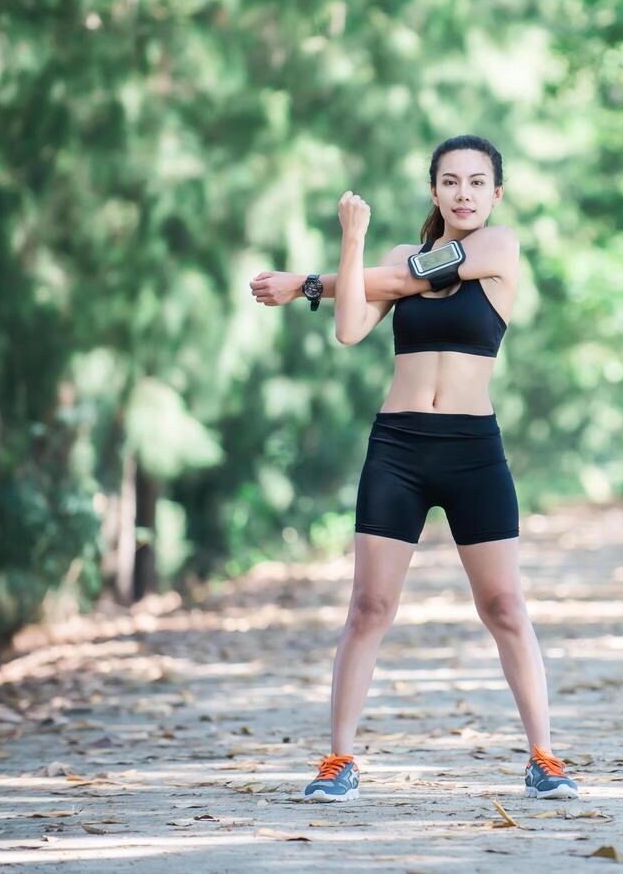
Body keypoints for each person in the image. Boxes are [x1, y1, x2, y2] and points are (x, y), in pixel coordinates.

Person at [248, 134, 579, 803]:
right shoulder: (394, 255)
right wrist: (351, 241)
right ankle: (339, 760)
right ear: (434, 191)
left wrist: (303, 283)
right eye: (450, 182)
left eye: (477, 183)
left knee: (504, 607)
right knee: (369, 606)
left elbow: (406, 282)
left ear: (495, 194)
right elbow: (349, 329)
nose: (464, 194)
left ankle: (543, 756)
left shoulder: (496, 247)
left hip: (471, 452)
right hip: (398, 448)